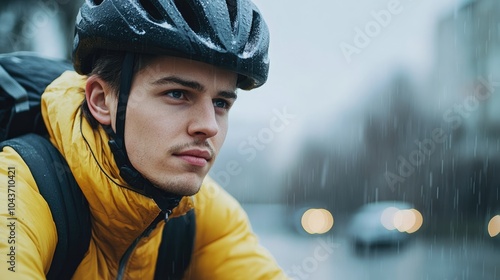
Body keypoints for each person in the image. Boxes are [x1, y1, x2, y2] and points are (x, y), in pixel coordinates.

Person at [0, 0, 289, 279]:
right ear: (102, 101)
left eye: (221, 103)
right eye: (177, 94)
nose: (209, 126)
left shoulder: (199, 212)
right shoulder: (14, 186)